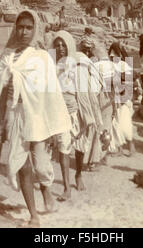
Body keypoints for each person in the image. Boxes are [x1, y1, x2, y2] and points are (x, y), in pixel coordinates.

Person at [0, 10, 71, 227]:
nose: (24, 31)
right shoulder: (7, 56)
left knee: (42, 164)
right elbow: (0, 92)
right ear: (15, 28)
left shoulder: (42, 57)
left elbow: (51, 93)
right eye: (20, 26)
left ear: (35, 28)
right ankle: (34, 215)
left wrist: (53, 127)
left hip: (37, 115)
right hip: (15, 114)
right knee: (21, 164)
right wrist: (0, 122)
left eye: (28, 27)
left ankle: (46, 188)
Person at [51, 30, 100, 199]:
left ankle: (78, 174)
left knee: (80, 148)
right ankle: (66, 188)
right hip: (60, 111)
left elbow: (89, 88)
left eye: (63, 44)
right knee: (64, 148)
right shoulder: (53, 65)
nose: (61, 48)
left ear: (69, 45)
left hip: (77, 111)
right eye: (57, 45)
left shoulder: (79, 63)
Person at [76, 37, 105, 170]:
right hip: (89, 100)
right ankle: (90, 162)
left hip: (87, 99)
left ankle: (88, 161)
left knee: (87, 132)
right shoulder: (84, 62)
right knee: (90, 131)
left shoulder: (83, 61)